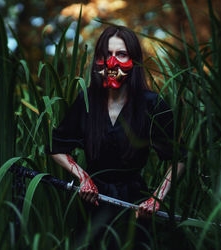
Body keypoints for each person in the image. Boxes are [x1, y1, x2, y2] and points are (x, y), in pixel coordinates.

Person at [46, 25, 185, 248]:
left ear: (134, 60)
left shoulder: (152, 104)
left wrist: (156, 199)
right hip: (92, 205)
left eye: (121, 54)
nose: (112, 62)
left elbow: (179, 157)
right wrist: (83, 178)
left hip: (136, 208)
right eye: (106, 54)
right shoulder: (87, 100)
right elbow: (56, 147)